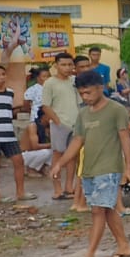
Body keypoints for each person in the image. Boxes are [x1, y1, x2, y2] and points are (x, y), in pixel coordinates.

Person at [49, 71, 130, 257]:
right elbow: (78, 140)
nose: (85, 97)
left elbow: (125, 138)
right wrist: (60, 163)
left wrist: (129, 167)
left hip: (110, 168)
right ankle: (124, 245)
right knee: (107, 208)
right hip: (89, 170)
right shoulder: (83, 114)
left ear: (100, 87)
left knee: (97, 211)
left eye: (88, 93)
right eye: (82, 94)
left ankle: (89, 254)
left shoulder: (116, 110)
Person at [0, 64, 34, 202]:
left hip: (8, 134)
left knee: (19, 161)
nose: (1, 77)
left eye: (3, 74)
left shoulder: (9, 92)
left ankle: (20, 192)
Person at [42, 53, 81, 204]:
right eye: (63, 65)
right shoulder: (50, 83)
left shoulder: (73, 81)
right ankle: (57, 190)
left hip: (75, 123)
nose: (67, 68)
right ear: (56, 65)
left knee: (72, 157)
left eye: (70, 65)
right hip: (60, 125)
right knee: (58, 156)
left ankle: (69, 187)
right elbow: (46, 106)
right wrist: (57, 122)